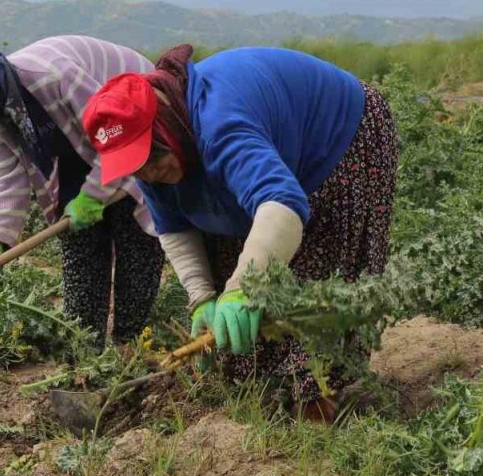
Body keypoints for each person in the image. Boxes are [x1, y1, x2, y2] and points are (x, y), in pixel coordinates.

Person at [81, 44, 398, 420]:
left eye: (150, 159)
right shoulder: (155, 156)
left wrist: (244, 287)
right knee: (234, 272)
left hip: (339, 137)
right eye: (135, 167)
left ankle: (317, 402)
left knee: (316, 280)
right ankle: (264, 391)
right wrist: (202, 297)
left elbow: (281, 204)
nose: (146, 174)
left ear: (166, 124)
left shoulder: (220, 125)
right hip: (269, 160)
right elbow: (175, 227)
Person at [0, 35, 163, 346]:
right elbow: (10, 175)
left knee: (133, 233)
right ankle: (85, 351)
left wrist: (94, 195)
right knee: (79, 244)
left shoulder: (54, 76)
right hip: (78, 144)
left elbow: (118, 140)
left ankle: (130, 345)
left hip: (132, 120)